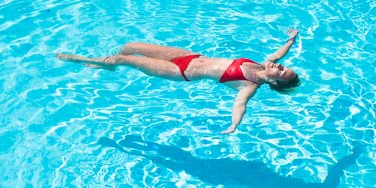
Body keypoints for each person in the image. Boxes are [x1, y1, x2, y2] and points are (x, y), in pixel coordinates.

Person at [57, 29, 300, 133]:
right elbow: (280, 53)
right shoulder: (263, 62)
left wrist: (234, 124)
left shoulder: (249, 86)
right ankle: (108, 65)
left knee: (124, 57)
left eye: (281, 72)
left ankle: (84, 60)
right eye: (283, 67)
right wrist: (291, 39)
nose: (279, 66)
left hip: (180, 73)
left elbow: (240, 105)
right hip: (189, 56)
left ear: (275, 84)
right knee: (130, 46)